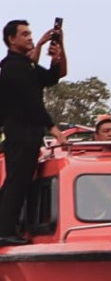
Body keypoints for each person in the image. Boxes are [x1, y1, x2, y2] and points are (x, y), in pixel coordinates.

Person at [0, 19, 67, 245]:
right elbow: (31, 102)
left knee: (20, 179)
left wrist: (59, 53)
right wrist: (53, 127)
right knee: (17, 181)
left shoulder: (25, 66)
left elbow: (52, 78)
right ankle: (4, 232)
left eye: (30, 34)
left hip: (29, 132)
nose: (30, 37)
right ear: (12, 39)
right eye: (25, 34)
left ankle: (9, 229)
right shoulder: (13, 67)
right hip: (20, 132)